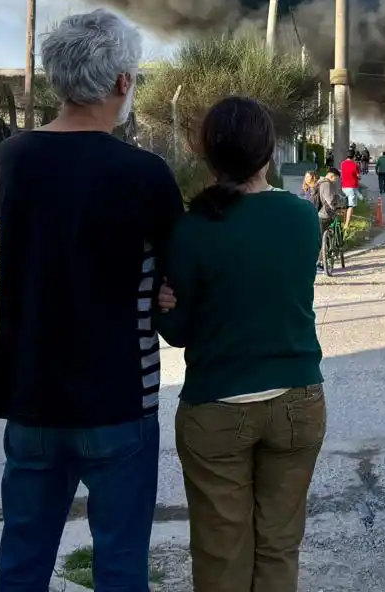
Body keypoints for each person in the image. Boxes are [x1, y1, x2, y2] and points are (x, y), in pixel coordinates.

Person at [0, 9, 184, 591]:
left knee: (21, 562)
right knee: (120, 566)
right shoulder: (145, 173)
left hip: (30, 398)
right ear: (123, 82)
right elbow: (178, 276)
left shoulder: (14, 159)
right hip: (119, 399)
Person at [156, 97, 326, 592]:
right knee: (278, 546)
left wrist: (163, 304)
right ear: (268, 151)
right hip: (298, 402)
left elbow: (179, 332)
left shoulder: (191, 229)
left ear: (208, 155)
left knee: (221, 553)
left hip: (217, 408)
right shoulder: (301, 217)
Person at [313, 167, 343, 272]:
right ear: (331, 176)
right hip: (326, 214)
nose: (335, 181)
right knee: (322, 240)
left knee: (321, 238)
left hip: (319, 213)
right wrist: (337, 208)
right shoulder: (327, 184)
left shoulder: (319, 182)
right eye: (336, 178)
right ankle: (321, 262)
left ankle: (322, 260)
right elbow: (330, 200)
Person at [340, 150, 361, 230]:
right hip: (352, 187)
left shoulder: (342, 163)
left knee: (346, 205)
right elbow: (358, 176)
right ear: (354, 156)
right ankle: (346, 225)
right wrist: (358, 177)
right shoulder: (355, 164)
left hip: (344, 187)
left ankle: (346, 221)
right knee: (351, 206)